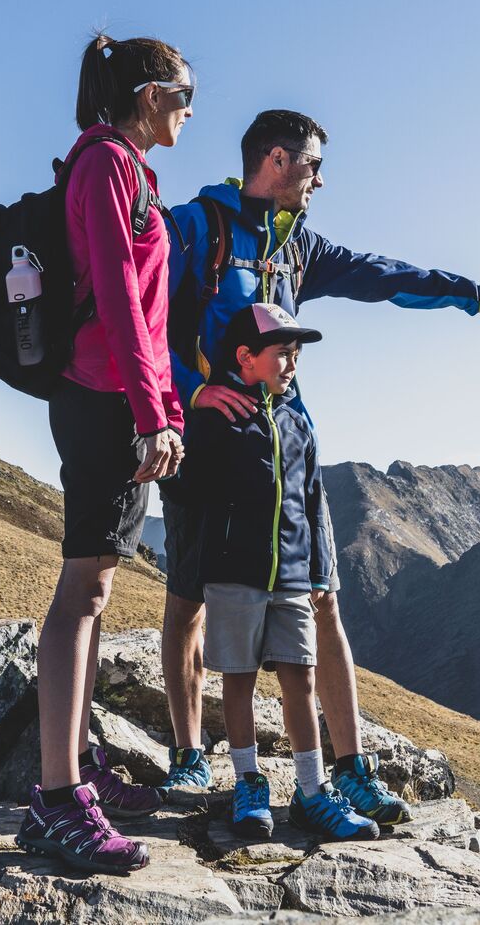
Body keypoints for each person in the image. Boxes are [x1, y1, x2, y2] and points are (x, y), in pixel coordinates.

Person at [157, 109, 480, 821]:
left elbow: (382, 276)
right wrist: (194, 389)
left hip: (289, 444)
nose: (320, 180)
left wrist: (468, 292)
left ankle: (350, 767)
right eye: (312, 165)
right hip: (206, 445)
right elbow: (145, 321)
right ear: (276, 158)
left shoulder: (301, 245)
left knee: (322, 596)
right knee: (189, 598)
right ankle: (187, 756)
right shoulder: (196, 227)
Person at [15, 32, 196, 875]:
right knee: (81, 590)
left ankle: (76, 770)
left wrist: (162, 407)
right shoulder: (105, 165)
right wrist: (154, 408)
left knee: (97, 586)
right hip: (101, 399)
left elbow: (147, 308)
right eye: (186, 90)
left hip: (119, 399)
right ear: (150, 92)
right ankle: (57, 799)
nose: (193, 107)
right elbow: (122, 295)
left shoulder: (128, 166)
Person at [180, 302, 379, 843]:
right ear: (245, 358)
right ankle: (248, 781)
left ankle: (313, 791)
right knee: (239, 680)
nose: (292, 365)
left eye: (296, 356)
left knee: (301, 678)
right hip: (233, 574)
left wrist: (316, 567)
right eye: (283, 354)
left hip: (292, 576)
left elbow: (311, 500)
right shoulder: (218, 417)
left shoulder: (298, 423)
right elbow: (190, 486)